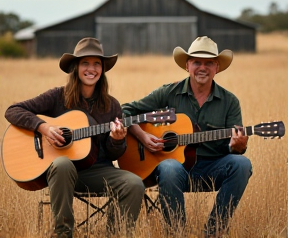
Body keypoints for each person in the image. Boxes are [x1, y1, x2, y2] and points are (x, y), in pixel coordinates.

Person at [5, 37, 145, 238]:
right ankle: (63, 233)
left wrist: (117, 139)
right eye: (85, 63)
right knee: (62, 164)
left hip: (97, 170)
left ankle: (117, 234)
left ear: (102, 70)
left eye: (97, 63)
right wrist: (43, 127)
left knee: (134, 183)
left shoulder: (112, 105)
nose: (91, 69)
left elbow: (115, 152)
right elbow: (13, 110)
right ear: (76, 68)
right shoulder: (57, 96)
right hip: (61, 174)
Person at [121, 36, 252, 237]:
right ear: (187, 65)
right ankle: (177, 233)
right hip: (174, 171)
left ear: (217, 67)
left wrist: (238, 146)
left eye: (209, 63)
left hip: (211, 169)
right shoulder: (168, 92)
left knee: (242, 164)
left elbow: (235, 148)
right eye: (197, 62)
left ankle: (214, 232)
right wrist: (142, 137)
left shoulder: (230, 101)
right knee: (168, 166)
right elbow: (124, 111)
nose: (203, 67)